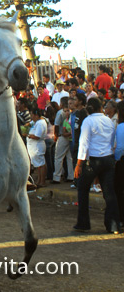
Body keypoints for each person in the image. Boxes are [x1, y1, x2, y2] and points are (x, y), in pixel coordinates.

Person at [74, 97, 120, 233]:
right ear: (101, 107)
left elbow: (84, 143)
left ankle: (83, 223)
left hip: (93, 160)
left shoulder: (88, 121)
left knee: (82, 189)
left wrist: (79, 164)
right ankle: (113, 225)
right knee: (109, 193)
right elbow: (113, 140)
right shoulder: (109, 121)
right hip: (108, 158)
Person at [52, 97, 74, 183]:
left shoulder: (60, 112)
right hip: (70, 137)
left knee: (58, 157)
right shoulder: (72, 112)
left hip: (62, 136)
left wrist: (56, 135)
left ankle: (57, 177)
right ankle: (71, 176)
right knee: (69, 157)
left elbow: (56, 125)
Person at [27, 107, 48, 187]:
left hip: (37, 146)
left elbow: (37, 136)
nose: (31, 116)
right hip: (34, 146)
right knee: (38, 165)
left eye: (32, 115)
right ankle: (39, 180)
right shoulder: (37, 122)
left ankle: (42, 181)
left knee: (41, 165)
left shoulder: (40, 123)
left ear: (36, 115)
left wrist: (28, 135)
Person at [114, 101, 124, 226]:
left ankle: (121, 218)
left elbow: (120, 147)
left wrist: (115, 159)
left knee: (119, 190)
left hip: (121, 161)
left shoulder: (121, 127)